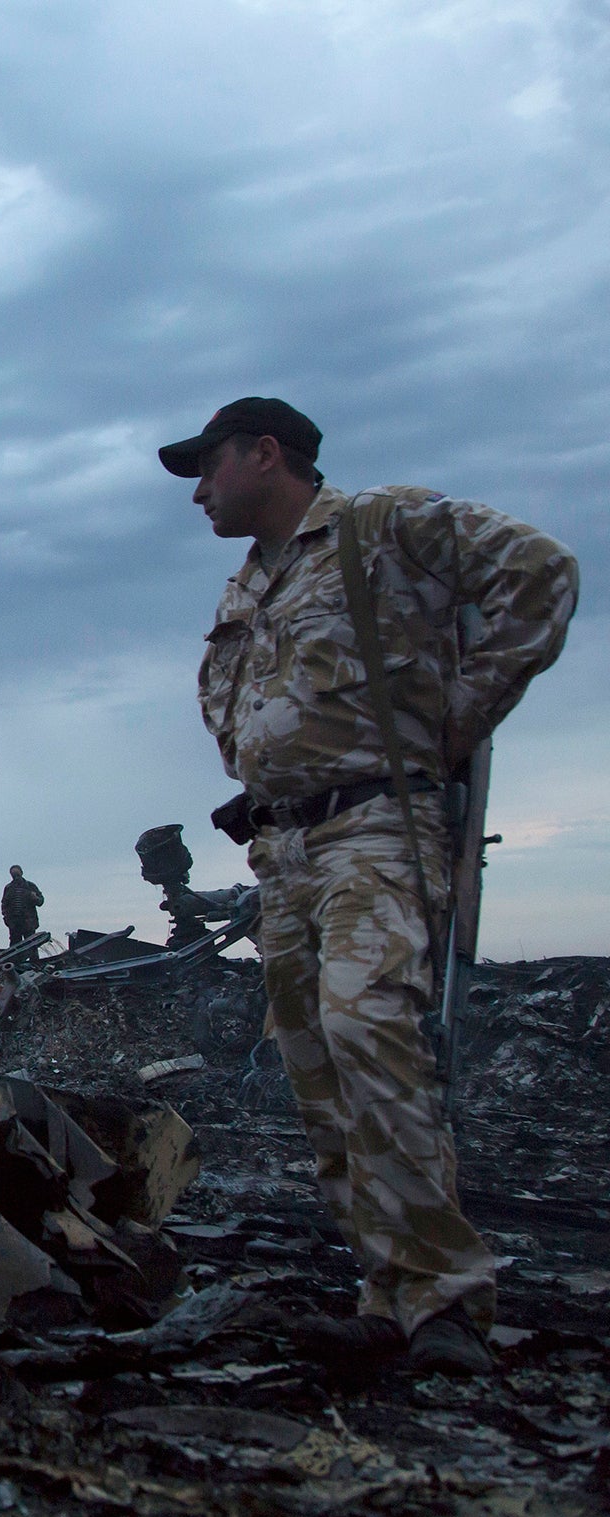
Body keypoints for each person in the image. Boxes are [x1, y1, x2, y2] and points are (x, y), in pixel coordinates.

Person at [165, 396, 578, 1377]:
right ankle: (386, 1295)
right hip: (284, 853)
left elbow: (540, 574)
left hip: (373, 832)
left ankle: (441, 1302)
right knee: (317, 1071)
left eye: (207, 465)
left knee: (368, 1031)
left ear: (264, 454)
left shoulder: (379, 527)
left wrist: (451, 722)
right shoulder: (247, 586)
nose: (196, 490)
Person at [2, 865, 45, 946]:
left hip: (28, 922)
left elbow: (41, 901)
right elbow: (4, 904)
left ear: (22, 873)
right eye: (14, 875)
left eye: (17, 875)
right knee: (14, 947)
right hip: (14, 924)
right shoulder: (8, 888)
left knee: (31, 945)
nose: (16, 878)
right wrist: (7, 919)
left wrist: (35, 898)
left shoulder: (30, 886)